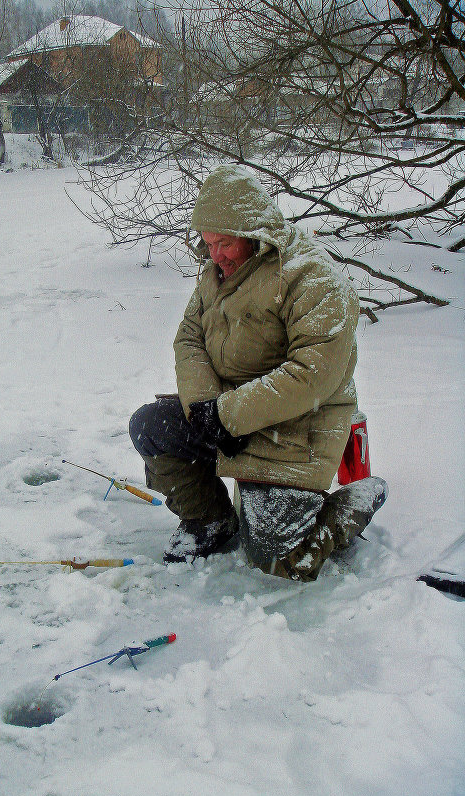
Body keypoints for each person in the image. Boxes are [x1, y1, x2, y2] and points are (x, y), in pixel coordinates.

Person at [129, 164, 387, 580]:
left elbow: (313, 374)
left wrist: (229, 416)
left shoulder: (312, 278)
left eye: (225, 243)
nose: (215, 256)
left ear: (255, 232)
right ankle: (209, 520)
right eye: (208, 243)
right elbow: (189, 337)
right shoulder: (217, 273)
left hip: (296, 427)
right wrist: (206, 410)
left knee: (280, 561)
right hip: (229, 416)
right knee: (150, 427)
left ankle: (359, 499)